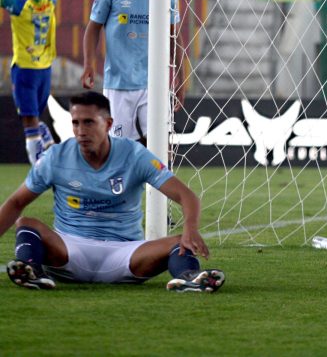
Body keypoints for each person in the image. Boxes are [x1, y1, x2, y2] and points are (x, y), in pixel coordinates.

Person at [0, 91, 224, 292]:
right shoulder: (55, 157)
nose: (81, 131)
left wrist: (190, 228)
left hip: (126, 255)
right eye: (75, 123)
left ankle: (189, 278)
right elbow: (16, 203)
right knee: (26, 223)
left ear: (108, 124)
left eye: (89, 122)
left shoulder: (135, 155)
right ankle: (30, 272)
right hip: (68, 250)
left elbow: (186, 195)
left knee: (177, 241)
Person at [80, 0, 185, 145]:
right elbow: (93, 28)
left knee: (158, 146)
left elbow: (174, 36)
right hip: (119, 84)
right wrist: (88, 63)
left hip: (154, 84)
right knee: (117, 147)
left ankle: (151, 179)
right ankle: (123, 180)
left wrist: (181, 78)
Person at [1, 0, 62, 164]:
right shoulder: (48, 0)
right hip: (45, 70)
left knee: (28, 120)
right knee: (34, 116)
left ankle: (39, 167)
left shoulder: (18, 6)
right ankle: (46, 138)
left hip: (25, 71)